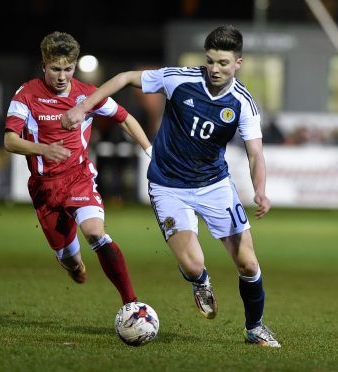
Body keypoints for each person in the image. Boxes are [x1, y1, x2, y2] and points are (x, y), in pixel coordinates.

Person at [62, 25, 280, 348]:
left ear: (238, 63)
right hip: (168, 185)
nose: (215, 69)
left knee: (248, 262)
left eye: (223, 63)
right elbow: (124, 78)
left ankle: (255, 327)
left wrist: (260, 190)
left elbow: (256, 153)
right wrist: (82, 107)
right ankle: (200, 281)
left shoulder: (243, 103)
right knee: (193, 264)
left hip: (214, 185)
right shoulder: (180, 79)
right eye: (210, 61)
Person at [4, 31, 152, 307]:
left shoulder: (87, 95)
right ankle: (74, 266)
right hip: (44, 188)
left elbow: (125, 118)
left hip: (78, 178)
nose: (62, 76)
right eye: (56, 69)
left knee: (96, 233)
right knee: (70, 259)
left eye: (68, 69)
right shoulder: (26, 95)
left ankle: (131, 304)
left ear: (74, 66)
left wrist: (149, 151)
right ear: (44, 65)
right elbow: (9, 140)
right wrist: (43, 149)